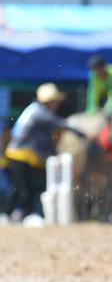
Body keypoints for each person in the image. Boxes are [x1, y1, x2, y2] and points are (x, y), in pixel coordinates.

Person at [3, 83, 85, 222]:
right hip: (21, 155)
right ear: (48, 101)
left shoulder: (34, 109)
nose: (57, 104)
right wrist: (78, 132)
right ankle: (22, 215)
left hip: (17, 154)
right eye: (55, 101)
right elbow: (59, 124)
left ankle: (10, 214)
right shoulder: (41, 112)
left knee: (18, 188)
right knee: (25, 189)